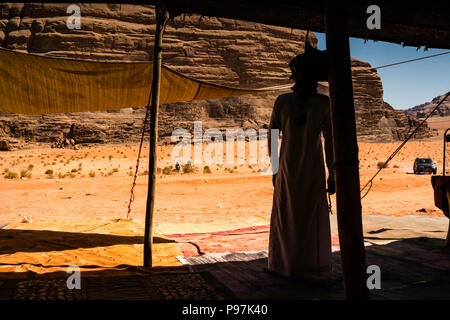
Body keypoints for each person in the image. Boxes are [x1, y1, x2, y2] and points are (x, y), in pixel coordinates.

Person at [267, 42, 335, 280]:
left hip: (302, 167)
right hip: (292, 168)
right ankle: (296, 266)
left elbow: (331, 141)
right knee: (295, 215)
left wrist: (333, 173)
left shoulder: (320, 104)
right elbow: (273, 135)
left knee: (299, 216)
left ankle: (298, 266)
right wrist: (275, 170)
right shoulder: (286, 102)